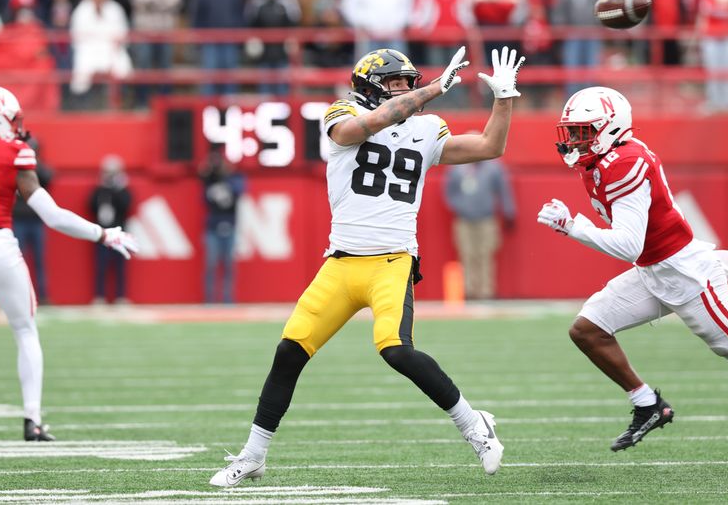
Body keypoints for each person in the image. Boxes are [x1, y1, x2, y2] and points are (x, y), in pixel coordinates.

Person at [209, 45, 526, 487]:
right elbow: (367, 125)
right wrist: (435, 89)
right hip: (340, 262)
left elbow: (490, 146)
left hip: (392, 260)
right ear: (369, 86)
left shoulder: (427, 128)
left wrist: (505, 97)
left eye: (408, 83)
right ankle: (253, 455)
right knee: (289, 351)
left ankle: (475, 426)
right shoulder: (341, 112)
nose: (404, 90)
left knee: (395, 349)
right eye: (395, 83)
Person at [536, 86, 728, 452]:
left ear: (609, 127)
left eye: (583, 131)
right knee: (587, 331)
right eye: (572, 131)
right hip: (654, 271)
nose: (575, 140)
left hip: (686, 275)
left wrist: (573, 227)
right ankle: (648, 405)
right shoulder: (600, 160)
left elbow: (629, 244)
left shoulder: (624, 162)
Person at [0, 85, 138, 441]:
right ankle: (33, 420)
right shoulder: (15, 152)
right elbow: (52, 216)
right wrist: (104, 235)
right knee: (25, 330)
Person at [443, 158, 516, 300]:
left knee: (486, 253)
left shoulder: (494, 168)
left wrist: (509, 211)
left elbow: (503, 190)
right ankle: (469, 291)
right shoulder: (457, 169)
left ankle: (486, 292)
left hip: (487, 219)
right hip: (464, 220)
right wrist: (460, 207)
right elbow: (449, 193)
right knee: (467, 254)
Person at [199, 150, 244, 304]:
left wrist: (225, 177)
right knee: (211, 264)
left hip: (230, 226)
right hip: (212, 227)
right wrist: (211, 172)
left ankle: (227, 299)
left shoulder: (234, 178)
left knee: (228, 265)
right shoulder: (208, 180)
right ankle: (209, 299)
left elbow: (239, 191)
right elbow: (201, 176)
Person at [12, 135, 53, 303]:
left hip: (36, 219)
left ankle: (42, 296)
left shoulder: (39, 169)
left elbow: (48, 177)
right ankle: (17, 297)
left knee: (38, 260)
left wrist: (32, 163)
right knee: (16, 261)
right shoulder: (13, 168)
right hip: (18, 219)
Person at [89, 155, 134, 305]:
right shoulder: (100, 190)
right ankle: (99, 296)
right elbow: (90, 205)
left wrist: (117, 189)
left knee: (120, 267)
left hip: (119, 233)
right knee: (100, 267)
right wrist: (104, 188)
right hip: (103, 234)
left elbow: (126, 205)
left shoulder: (123, 190)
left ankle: (121, 297)